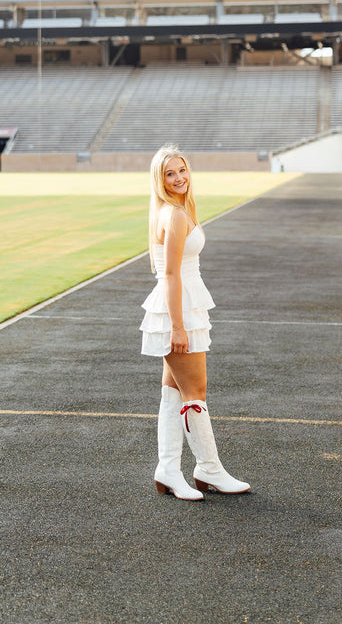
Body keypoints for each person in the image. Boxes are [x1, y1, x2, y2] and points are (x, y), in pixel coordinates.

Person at [139, 144, 250, 501]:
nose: (178, 178)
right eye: (170, 173)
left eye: (182, 170)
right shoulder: (173, 216)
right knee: (195, 394)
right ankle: (209, 468)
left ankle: (168, 469)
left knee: (173, 393)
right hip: (178, 310)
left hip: (187, 306)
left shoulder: (179, 211)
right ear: (160, 179)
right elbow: (170, 274)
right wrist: (177, 327)